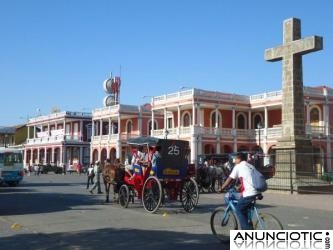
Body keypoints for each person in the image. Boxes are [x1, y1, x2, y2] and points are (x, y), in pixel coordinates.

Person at [219, 152, 259, 230]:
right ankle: (249, 224)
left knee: (238, 209)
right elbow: (249, 179)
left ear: (239, 159)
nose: (234, 160)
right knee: (244, 206)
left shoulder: (238, 166)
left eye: (235, 159)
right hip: (257, 191)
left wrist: (221, 188)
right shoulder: (251, 166)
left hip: (249, 193)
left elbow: (229, 179)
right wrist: (239, 187)